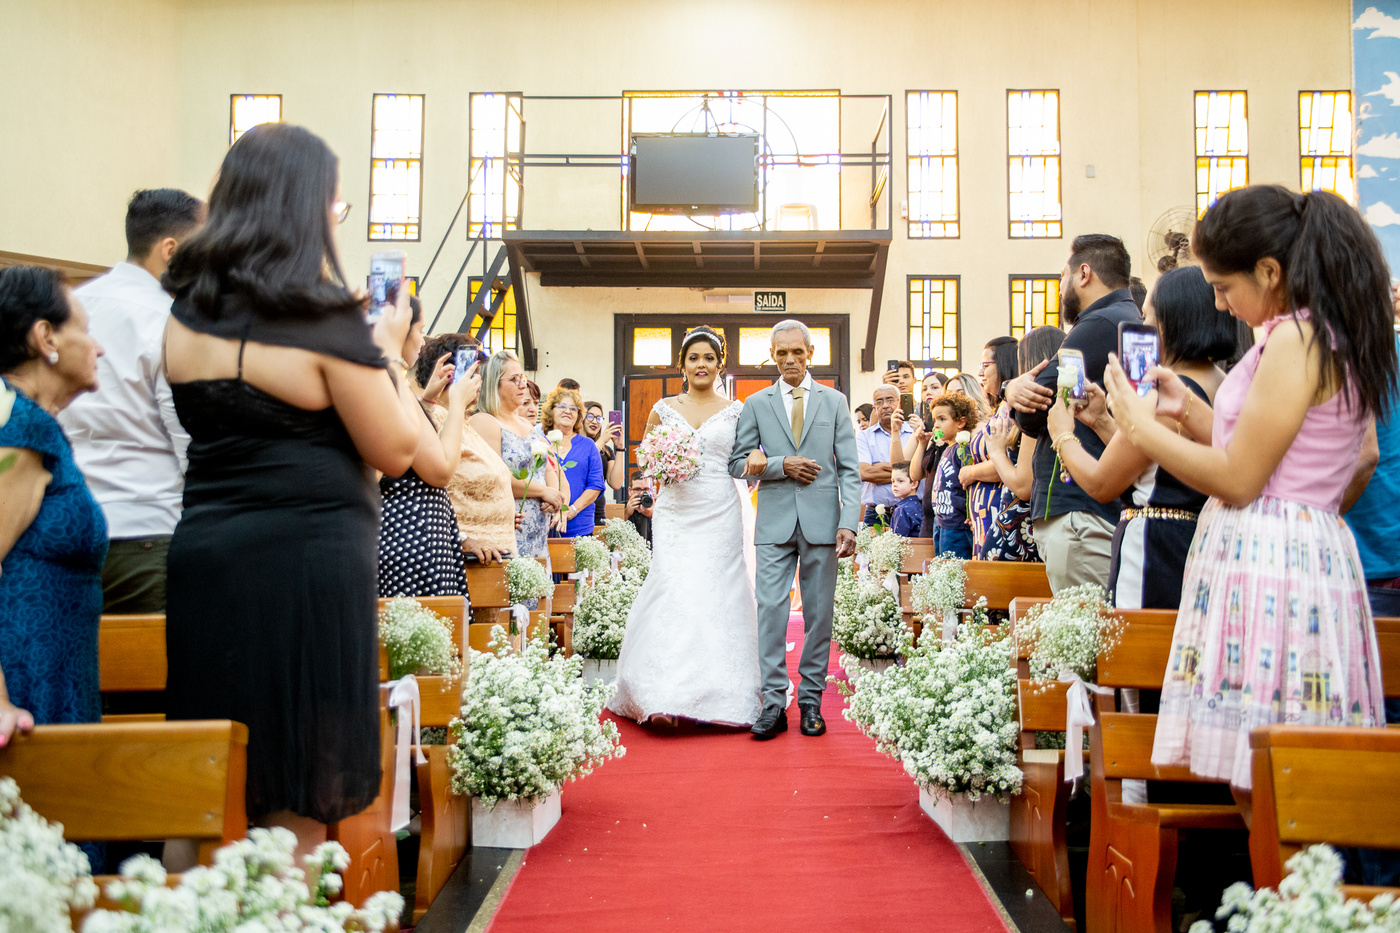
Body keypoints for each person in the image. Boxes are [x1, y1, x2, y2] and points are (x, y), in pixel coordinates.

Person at [160, 123, 425, 858]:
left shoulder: (185, 313)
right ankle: (283, 903)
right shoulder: (319, 317)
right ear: (306, 207)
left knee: (206, 778)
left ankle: (192, 904)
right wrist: (385, 347)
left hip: (207, 558)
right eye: (335, 206)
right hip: (305, 566)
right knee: (301, 788)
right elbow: (395, 448)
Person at [1103, 185, 1393, 813]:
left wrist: (1140, 426)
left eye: (1223, 285)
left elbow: (1241, 478)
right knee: (1265, 778)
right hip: (1287, 548)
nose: (1217, 302)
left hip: (1274, 559)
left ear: (1269, 271)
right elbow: (1274, 456)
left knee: (1271, 779)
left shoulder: (1296, 338)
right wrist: (1190, 415)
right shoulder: (1308, 333)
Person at [1046, 266, 1235, 610]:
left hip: (1155, 551)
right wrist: (1103, 421)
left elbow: (1102, 482)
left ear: (1171, 321)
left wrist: (1062, 435)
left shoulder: (1171, 394)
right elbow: (1155, 462)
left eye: (1147, 318)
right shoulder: (1222, 382)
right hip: (1197, 540)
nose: (1142, 328)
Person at [58, 189, 204, 614]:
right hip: (145, 532)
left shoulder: (74, 306)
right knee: (147, 657)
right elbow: (188, 441)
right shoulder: (170, 320)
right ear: (170, 250)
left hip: (67, 525)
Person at [610, 326, 760, 726]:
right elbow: (646, 459)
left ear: (720, 364)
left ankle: (722, 693)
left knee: (719, 590)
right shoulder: (662, 408)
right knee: (674, 587)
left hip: (719, 509)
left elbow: (744, 460)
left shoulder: (737, 411)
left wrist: (756, 461)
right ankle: (663, 694)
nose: (701, 364)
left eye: (709, 358)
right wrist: (664, 463)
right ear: (682, 365)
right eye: (694, 358)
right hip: (676, 511)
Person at [727, 319, 861, 740]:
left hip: (824, 522)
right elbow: (737, 463)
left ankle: (811, 701)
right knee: (770, 609)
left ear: (810, 354)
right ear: (772, 355)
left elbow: (850, 469)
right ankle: (773, 702)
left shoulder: (835, 402)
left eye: (797, 352)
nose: (789, 359)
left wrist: (849, 523)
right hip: (774, 520)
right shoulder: (756, 404)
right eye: (781, 352)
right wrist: (779, 464)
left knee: (819, 615)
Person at [0, 266, 107, 744]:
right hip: (26, 679)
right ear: (46, 337)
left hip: (53, 668)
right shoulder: (21, 427)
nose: (98, 348)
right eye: (85, 329)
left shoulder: (29, 422)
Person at [1004, 234, 1143, 593]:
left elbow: (1032, 414)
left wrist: (1015, 391)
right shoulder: (1120, 318)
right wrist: (1012, 388)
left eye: (1062, 276)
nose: (1060, 285)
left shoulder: (1100, 322)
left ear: (1084, 273)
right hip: (1088, 509)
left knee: (1081, 625)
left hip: (1080, 513)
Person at [377, 298, 481, 597]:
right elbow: (440, 470)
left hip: (413, 535)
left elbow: (409, 435)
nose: (423, 341)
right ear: (400, 329)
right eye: (420, 330)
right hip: (411, 538)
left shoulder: (394, 385)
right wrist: (457, 402)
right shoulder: (390, 382)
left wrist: (427, 401)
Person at [415, 333, 516, 558]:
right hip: (467, 555)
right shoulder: (436, 416)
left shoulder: (461, 420)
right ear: (453, 373)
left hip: (493, 550)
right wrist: (462, 538)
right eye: (475, 373)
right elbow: (432, 489)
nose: (479, 382)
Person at [470, 352, 564, 559]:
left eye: (522, 378)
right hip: (510, 532)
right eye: (514, 379)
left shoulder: (526, 424)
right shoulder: (485, 422)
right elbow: (496, 479)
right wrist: (544, 492)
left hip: (538, 536)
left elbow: (547, 467)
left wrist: (554, 495)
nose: (523, 385)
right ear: (494, 384)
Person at [983, 327, 1065, 562]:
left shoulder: (1035, 407)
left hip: (1022, 528)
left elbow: (1023, 485)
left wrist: (997, 452)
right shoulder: (1065, 402)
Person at [542, 386, 604, 537]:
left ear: (578, 415)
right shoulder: (539, 443)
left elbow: (596, 485)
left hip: (579, 528)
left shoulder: (588, 445)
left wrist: (573, 510)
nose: (567, 411)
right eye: (562, 406)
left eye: (573, 408)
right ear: (551, 410)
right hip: (543, 525)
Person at [857, 384, 920, 526]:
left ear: (899, 403)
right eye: (879, 402)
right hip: (877, 514)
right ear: (874, 408)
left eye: (890, 400)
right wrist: (906, 472)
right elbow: (864, 472)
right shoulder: (864, 437)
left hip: (912, 511)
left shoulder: (915, 432)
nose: (885, 405)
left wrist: (879, 467)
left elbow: (920, 474)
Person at [928, 392, 979, 558]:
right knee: (942, 565)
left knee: (954, 566)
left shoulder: (963, 450)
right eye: (934, 420)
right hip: (941, 520)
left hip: (957, 524)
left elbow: (970, 485)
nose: (936, 425)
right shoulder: (947, 449)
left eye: (942, 419)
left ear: (961, 422)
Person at [583, 400, 625, 527]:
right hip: (579, 510)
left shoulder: (606, 451)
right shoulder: (575, 445)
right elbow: (582, 464)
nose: (595, 421)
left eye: (599, 418)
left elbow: (616, 483)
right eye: (590, 416)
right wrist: (601, 441)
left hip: (598, 513)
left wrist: (620, 448)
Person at [888, 462, 923, 537]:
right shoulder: (919, 505)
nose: (894, 485)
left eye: (900, 481)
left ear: (914, 484)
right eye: (893, 481)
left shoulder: (902, 509)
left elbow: (897, 539)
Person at [623, 470, 653, 544]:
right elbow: (614, 532)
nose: (642, 493)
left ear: (651, 491)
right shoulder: (621, 508)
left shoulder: (659, 509)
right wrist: (626, 514)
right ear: (630, 491)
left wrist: (652, 515)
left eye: (646, 489)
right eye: (637, 489)